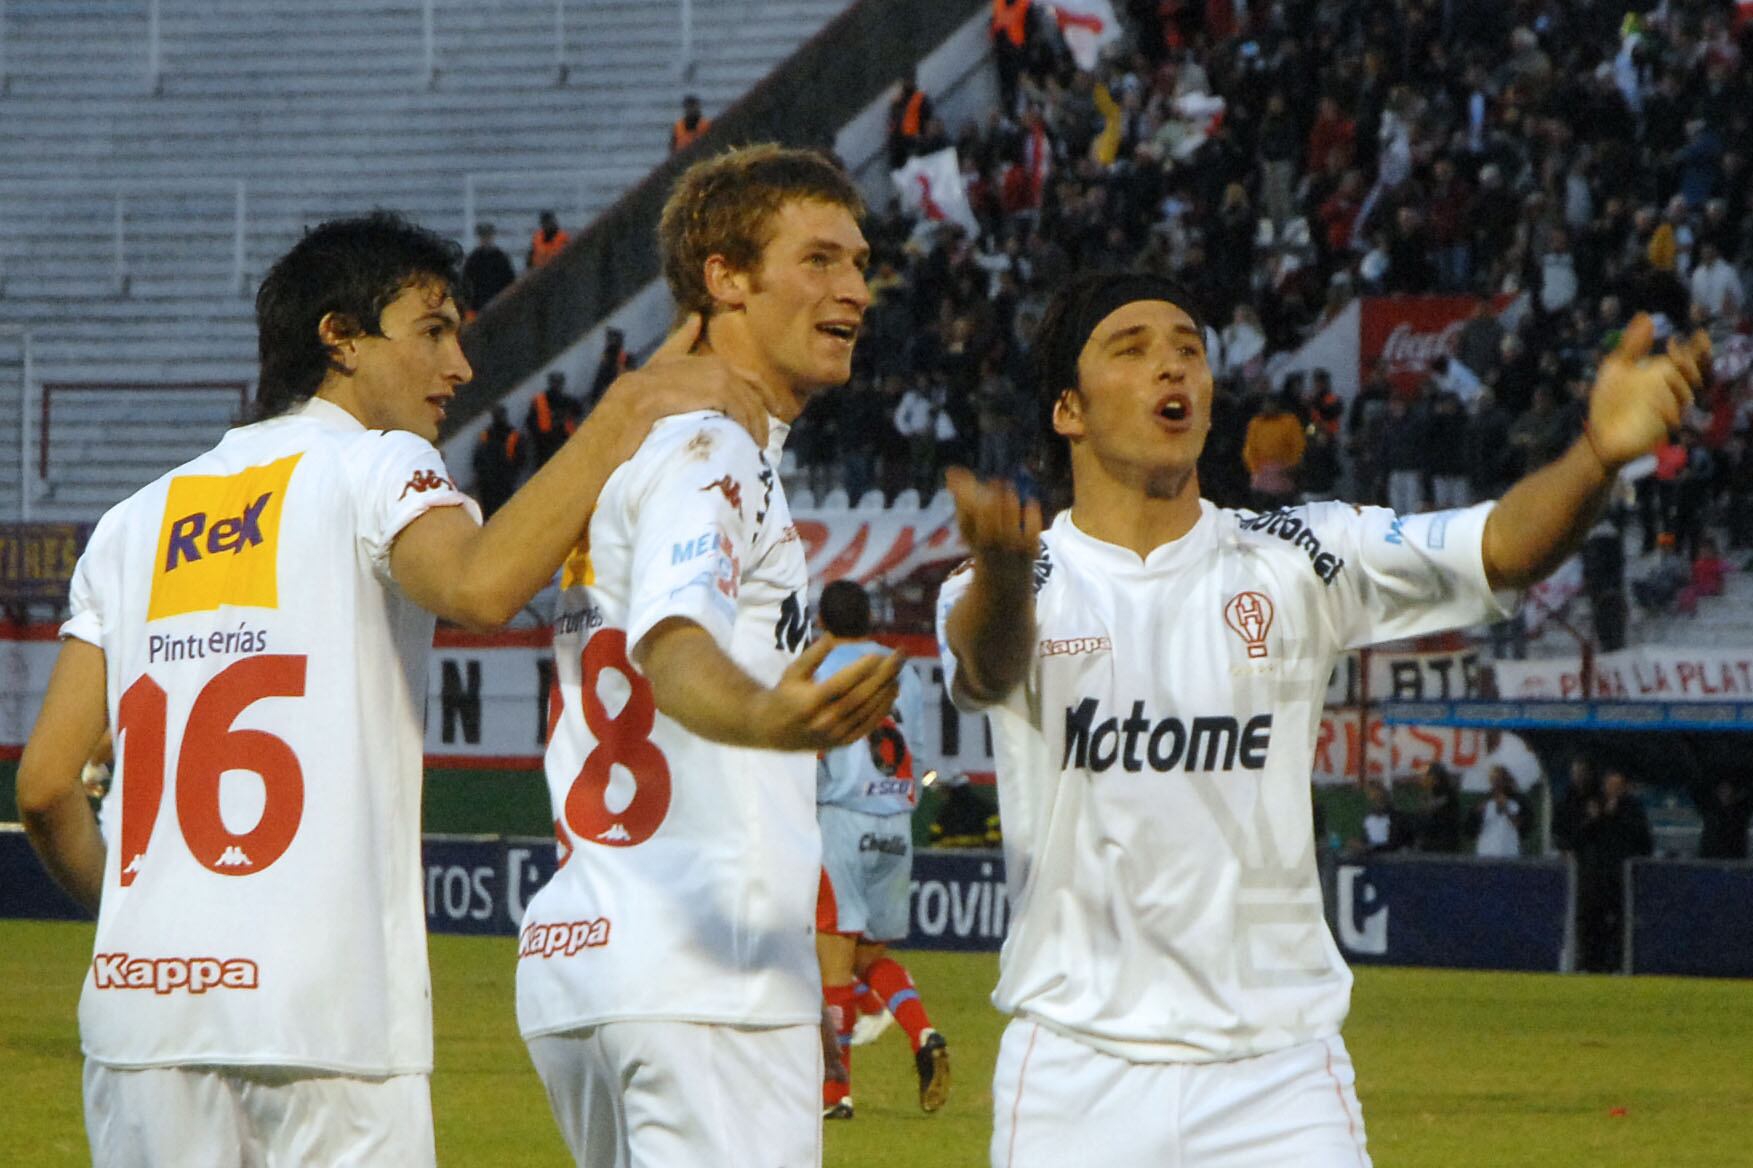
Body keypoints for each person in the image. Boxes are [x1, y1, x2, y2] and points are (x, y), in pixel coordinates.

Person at [14, 211, 771, 1166]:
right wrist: (621, 415)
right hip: (322, 1021)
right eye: (432, 329)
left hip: (138, 1026)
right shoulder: (379, 467)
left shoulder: (131, 524)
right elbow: (483, 585)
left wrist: (138, 929)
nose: (459, 365)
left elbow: (46, 787)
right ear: (339, 338)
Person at [935, 270, 1703, 1165]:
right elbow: (987, 665)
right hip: (1075, 1072)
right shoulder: (1019, 582)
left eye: (1189, 350)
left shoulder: (1299, 556)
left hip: (1277, 1078)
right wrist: (996, 570)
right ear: (1068, 408)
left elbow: (1496, 549)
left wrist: (1595, 454)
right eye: (1133, 350)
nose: (1171, 369)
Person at [516, 144, 904, 1168]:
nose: (854, 289)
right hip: (709, 972)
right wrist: (775, 717)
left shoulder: (629, 447)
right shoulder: (712, 448)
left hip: (584, 960)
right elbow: (675, 646)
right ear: (725, 279)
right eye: (819, 259)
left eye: (860, 263)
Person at [812, 580, 950, 1121]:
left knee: (833, 961)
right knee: (869, 957)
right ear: (870, 620)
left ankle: (834, 1094)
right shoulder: (904, 674)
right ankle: (923, 1031)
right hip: (896, 821)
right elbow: (913, 744)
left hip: (842, 819)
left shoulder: (818, 667)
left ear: (822, 621)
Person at [471, 403, 525, 517]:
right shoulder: (486, 435)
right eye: (497, 415)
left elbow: (520, 458)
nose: (499, 417)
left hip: (504, 480)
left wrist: (512, 474)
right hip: (489, 484)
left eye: (500, 415)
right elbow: (478, 459)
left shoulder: (512, 434)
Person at [1469, 766, 1528, 858]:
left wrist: (1506, 809)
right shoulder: (1484, 799)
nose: (1496, 783)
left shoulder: (1518, 800)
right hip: (1486, 852)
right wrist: (1477, 813)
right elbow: (1471, 828)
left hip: (1509, 851)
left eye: (1499, 780)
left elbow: (1522, 825)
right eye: (1493, 780)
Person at [526, 370, 580, 469]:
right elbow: (530, 422)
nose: (557, 385)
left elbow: (578, 410)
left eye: (559, 382)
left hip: (562, 444)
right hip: (546, 447)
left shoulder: (567, 401)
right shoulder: (540, 401)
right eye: (555, 382)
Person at [463, 221, 516, 312]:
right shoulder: (473, 259)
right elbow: (466, 282)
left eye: (488, 236)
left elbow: (510, 282)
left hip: (498, 306)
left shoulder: (501, 258)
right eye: (483, 236)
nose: (486, 239)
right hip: (478, 307)